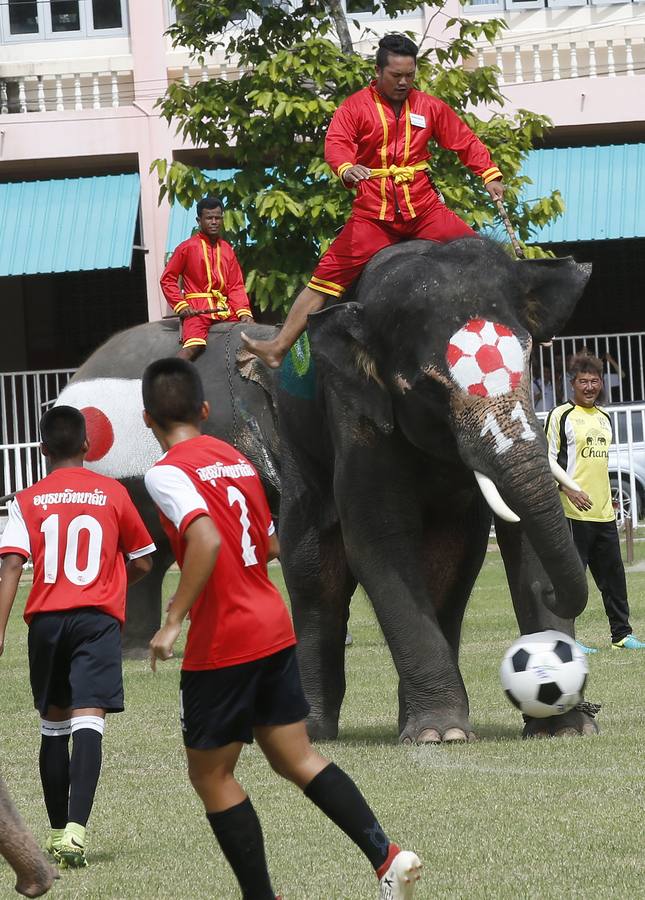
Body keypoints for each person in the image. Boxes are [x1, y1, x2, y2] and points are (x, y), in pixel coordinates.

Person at [142, 358, 421, 900]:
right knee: (295, 757)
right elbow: (269, 542)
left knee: (211, 776)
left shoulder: (166, 472)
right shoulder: (236, 460)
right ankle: (386, 857)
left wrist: (173, 619)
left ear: (147, 417)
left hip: (224, 639)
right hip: (271, 625)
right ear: (203, 410)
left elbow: (205, 540)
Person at [241, 33, 504, 369]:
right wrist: (347, 168)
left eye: (410, 75)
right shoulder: (354, 107)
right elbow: (337, 144)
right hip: (373, 215)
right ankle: (278, 347)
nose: (404, 82)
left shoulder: (429, 106)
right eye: (396, 76)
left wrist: (490, 174)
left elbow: (463, 141)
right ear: (378, 71)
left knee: (483, 254)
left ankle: (519, 327)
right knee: (325, 277)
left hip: (424, 210)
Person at [0, 406, 156, 868]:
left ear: (43, 449)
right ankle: (75, 832)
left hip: (47, 623)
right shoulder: (113, 493)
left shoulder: (26, 500)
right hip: (96, 621)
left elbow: (11, 563)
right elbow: (145, 559)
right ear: (87, 446)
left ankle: (53, 831)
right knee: (89, 721)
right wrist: (111, 578)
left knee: (53, 724)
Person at [545, 353, 644, 652]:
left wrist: (608, 500)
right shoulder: (561, 415)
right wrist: (568, 488)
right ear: (572, 384)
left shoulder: (604, 417)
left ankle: (621, 635)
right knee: (572, 581)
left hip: (604, 512)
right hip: (572, 512)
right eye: (583, 381)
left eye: (594, 381)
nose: (589, 387)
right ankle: (568, 640)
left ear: (601, 383)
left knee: (613, 578)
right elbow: (547, 457)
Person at [161, 196, 254, 361]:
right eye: (209, 218)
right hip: (197, 311)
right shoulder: (186, 248)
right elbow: (168, 279)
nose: (214, 222)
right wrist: (181, 306)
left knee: (251, 333)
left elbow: (236, 286)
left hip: (225, 310)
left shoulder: (227, 249)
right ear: (199, 220)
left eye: (217, 218)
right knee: (193, 347)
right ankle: (170, 376)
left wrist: (244, 312)